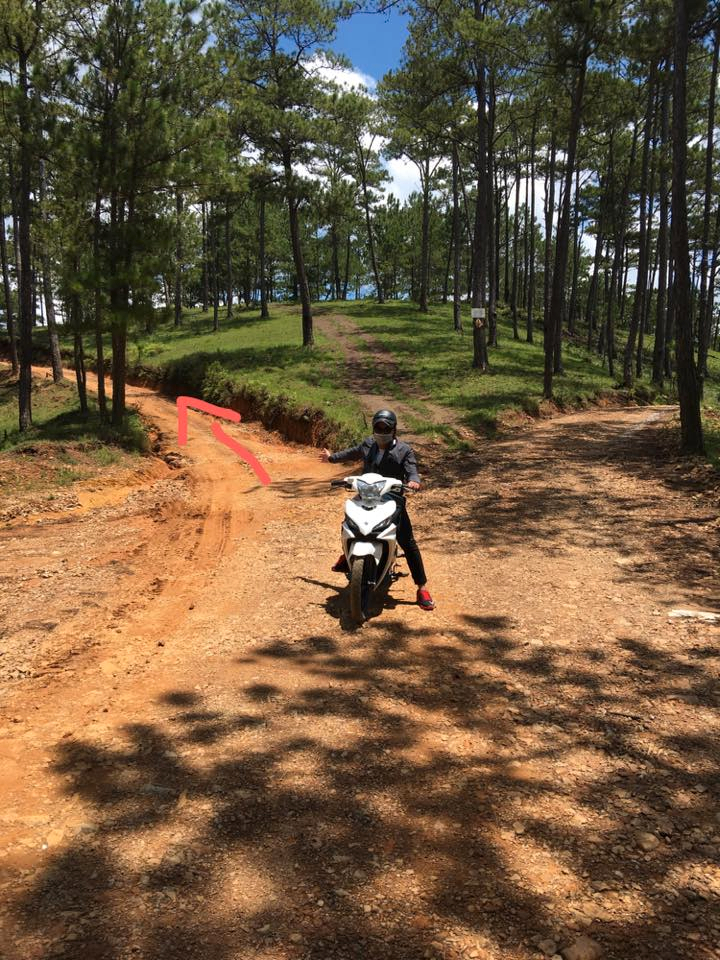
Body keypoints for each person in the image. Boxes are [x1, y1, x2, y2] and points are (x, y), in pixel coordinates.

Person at [320, 409, 436, 611]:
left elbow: (412, 470)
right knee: (349, 523)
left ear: (394, 430)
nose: (382, 432)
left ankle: (422, 588)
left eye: (386, 429)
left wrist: (414, 481)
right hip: (366, 496)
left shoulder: (404, 450)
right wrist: (332, 458)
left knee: (408, 542)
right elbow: (351, 453)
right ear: (373, 428)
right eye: (378, 428)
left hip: (392, 499)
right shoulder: (368, 444)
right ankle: (347, 555)